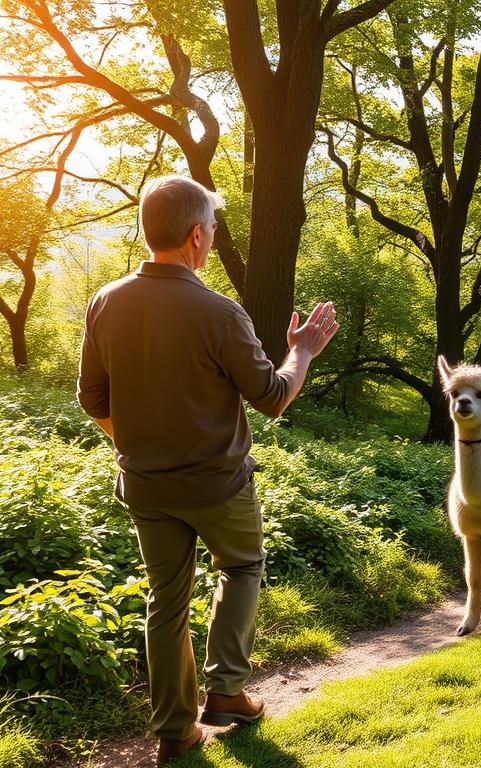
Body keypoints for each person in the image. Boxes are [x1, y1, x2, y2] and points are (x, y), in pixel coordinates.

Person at [76, 175, 339, 766]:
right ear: (197, 236)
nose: (214, 240)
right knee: (242, 566)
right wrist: (301, 351)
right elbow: (272, 397)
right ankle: (225, 690)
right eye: (215, 232)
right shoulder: (220, 312)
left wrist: (140, 444)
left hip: (144, 485)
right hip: (219, 486)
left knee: (165, 600)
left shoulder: (106, 302)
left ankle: (175, 731)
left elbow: (93, 400)